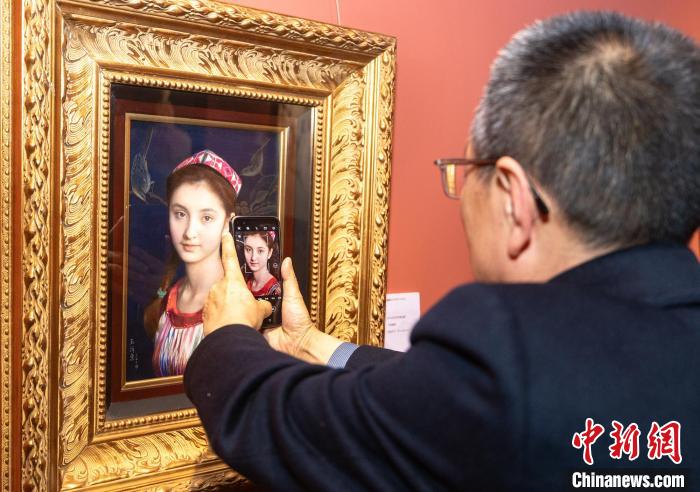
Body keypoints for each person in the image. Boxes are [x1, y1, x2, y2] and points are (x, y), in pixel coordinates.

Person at [184, 11, 700, 491]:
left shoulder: (504, 348)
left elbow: (284, 425)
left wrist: (228, 333)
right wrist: (311, 344)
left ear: (514, 198)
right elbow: (428, 400)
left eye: (468, 171)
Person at [144, 149, 242, 377]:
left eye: (206, 218)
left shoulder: (238, 305)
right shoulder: (166, 300)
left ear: (227, 222)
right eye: (180, 214)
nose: (189, 232)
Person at [241, 231, 281, 296]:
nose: (253, 257)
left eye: (260, 251)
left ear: (270, 253)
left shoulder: (275, 290)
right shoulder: (246, 283)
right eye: (248, 249)